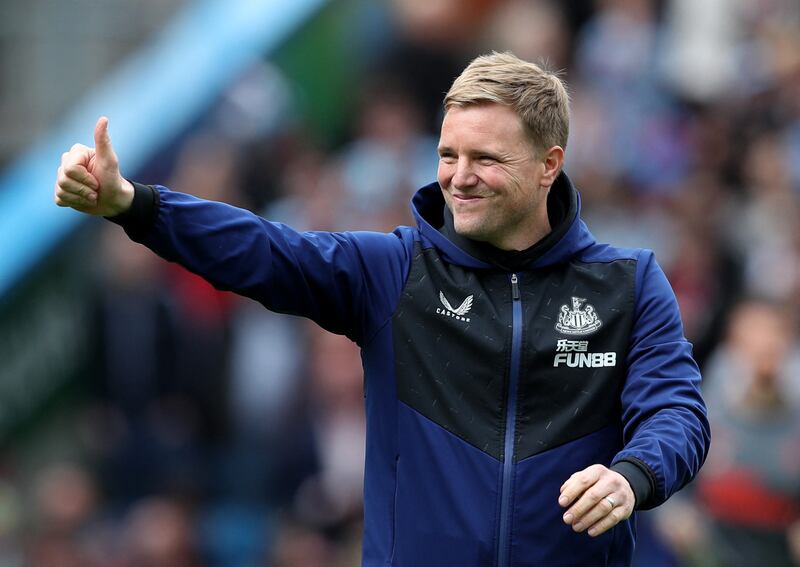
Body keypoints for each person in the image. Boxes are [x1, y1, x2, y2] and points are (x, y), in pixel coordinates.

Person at [54, 52, 710, 566]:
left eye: (485, 157)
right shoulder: (393, 272)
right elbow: (262, 250)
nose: (459, 176)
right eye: (448, 154)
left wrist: (634, 474)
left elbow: (676, 410)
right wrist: (134, 205)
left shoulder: (628, 283)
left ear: (549, 165)